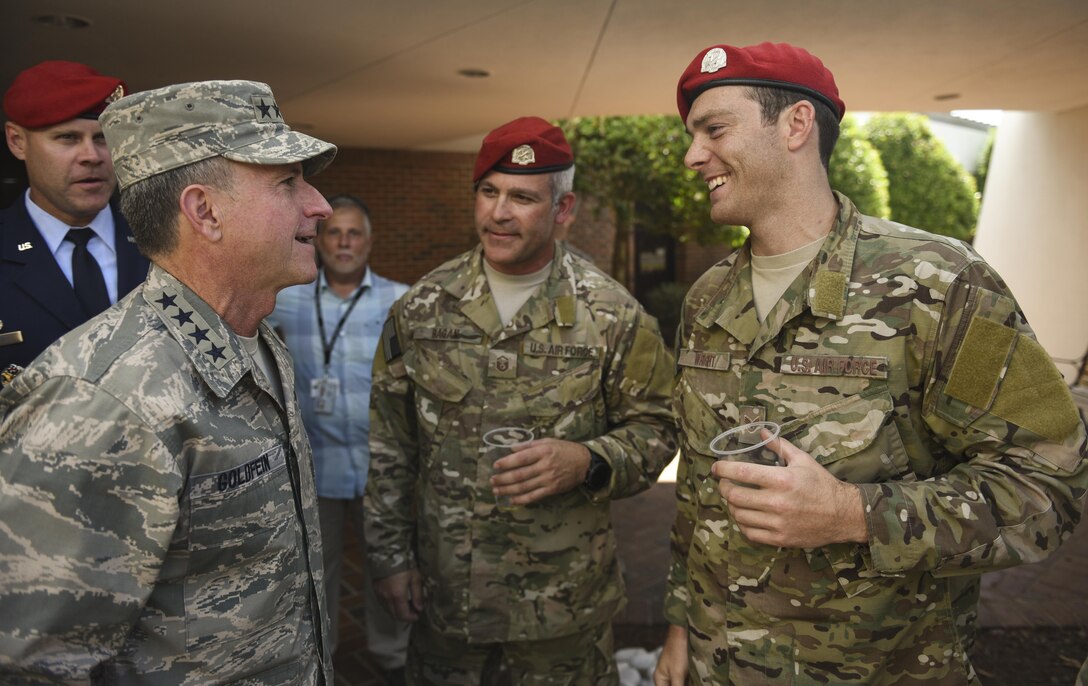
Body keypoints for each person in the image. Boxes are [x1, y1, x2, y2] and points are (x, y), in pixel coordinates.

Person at [655, 42, 1088, 685]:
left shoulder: (942, 285)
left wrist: (855, 515)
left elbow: (1047, 483)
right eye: (692, 135)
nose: (693, 155)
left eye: (714, 129)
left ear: (797, 125)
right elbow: (697, 485)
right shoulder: (708, 298)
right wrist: (678, 624)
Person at [0, 79, 338, 684]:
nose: (320, 205)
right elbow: (32, 662)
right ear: (203, 211)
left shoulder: (254, 335)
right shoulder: (102, 401)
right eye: (287, 182)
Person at [364, 116, 677, 684]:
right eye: (489, 191)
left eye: (522, 197)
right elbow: (390, 446)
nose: (498, 213)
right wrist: (389, 559)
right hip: (447, 601)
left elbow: (659, 428)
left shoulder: (611, 314)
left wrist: (588, 460)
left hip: (561, 608)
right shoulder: (422, 308)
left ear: (563, 210)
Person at [268, 193, 410, 680]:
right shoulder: (287, 298)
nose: (344, 242)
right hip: (313, 467)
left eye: (354, 233)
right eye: (335, 232)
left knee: (388, 571)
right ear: (319, 239)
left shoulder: (401, 300)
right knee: (315, 576)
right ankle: (320, 665)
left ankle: (394, 662)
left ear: (369, 241)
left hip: (381, 470)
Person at [1, 60, 149, 370]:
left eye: (102, 138)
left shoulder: (164, 240)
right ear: (17, 141)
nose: (91, 157)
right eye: (67, 138)